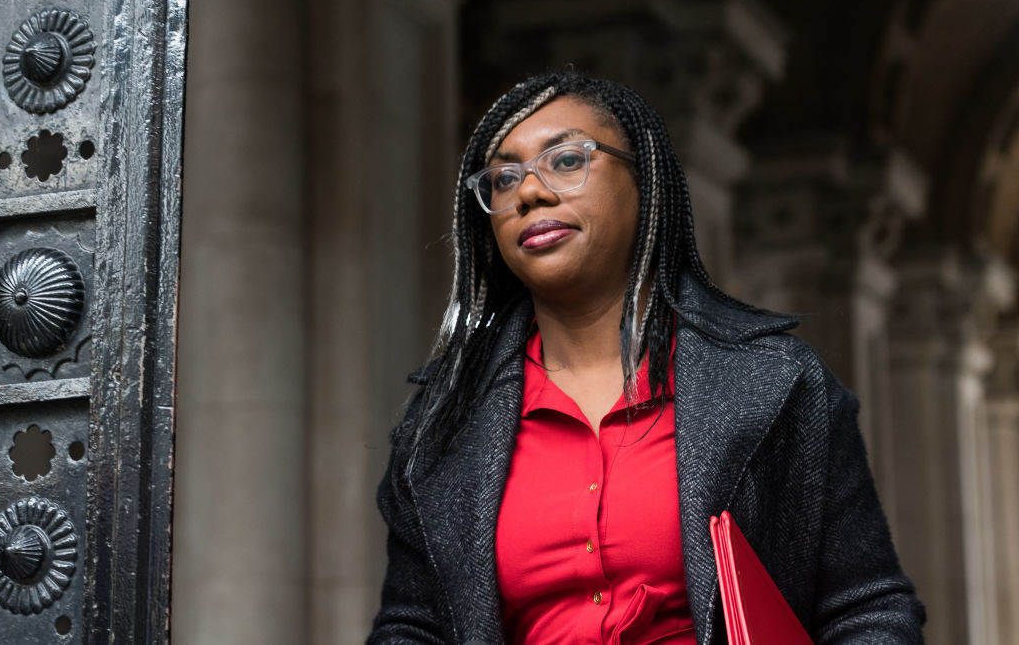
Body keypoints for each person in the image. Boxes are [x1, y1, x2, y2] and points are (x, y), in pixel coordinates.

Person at [368, 72, 925, 644]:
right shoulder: (441, 427)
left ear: (644, 180)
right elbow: (413, 625)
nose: (528, 192)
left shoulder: (777, 384)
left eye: (564, 160)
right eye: (504, 178)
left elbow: (865, 607)